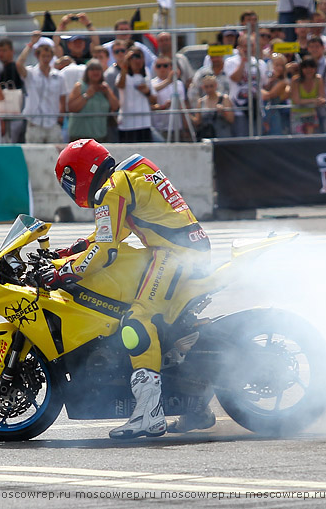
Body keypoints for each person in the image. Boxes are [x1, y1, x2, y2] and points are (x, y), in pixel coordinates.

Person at [50, 139, 211, 439]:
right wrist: (73, 249)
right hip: (188, 250)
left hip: (177, 256)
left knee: (137, 320)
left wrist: (68, 272)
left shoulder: (111, 189)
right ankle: (195, 404)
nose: (71, 189)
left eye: (69, 181)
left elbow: (107, 249)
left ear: (83, 171)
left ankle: (149, 414)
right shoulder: (132, 172)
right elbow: (115, 229)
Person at [16, 32, 67, 143]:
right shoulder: (30, 73)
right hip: (35, 122)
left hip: (53, 122)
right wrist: (31, 44)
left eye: (48, 56)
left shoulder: (58, 75)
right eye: (43, 56)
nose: (46, 59)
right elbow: (19, 64)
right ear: (37, 56)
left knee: (55, 155)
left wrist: (61, 117)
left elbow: (62, 97)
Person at [225, 33, 268, 137]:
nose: (248, 49)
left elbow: (264, 84)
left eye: (251, 45)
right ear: (239, 47)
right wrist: (243, 61)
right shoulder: (231, 62)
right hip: (238, 110)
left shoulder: (260, 64)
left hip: (256, 108)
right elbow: (235, 78)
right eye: (245, 46)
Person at [66, 59, 119, 142]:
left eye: (98, 70)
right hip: (80, 138)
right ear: (87, 72)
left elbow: (115, 106)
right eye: (92, 69)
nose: (95, 72)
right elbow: (71, 108)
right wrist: (86, 96)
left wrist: (107, 92)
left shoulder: (105, 88)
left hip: (100, 137)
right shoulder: (79, 86)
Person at [116, 46, 157, 142]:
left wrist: (146, 91)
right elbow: (120, 85)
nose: (137, 61)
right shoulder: (123, 75)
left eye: (139, 57)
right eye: (133, 58)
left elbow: (154, 99)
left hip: (144, 123)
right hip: (127, 124)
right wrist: (125, 64)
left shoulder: (146, 73)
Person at [289, 55, 324, 134]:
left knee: (312, 141)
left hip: (312, 115)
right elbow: (296, 100)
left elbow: (322, 97)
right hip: (297, 115)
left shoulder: (318, 79)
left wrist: (320, 101)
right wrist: (313, 100)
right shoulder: (296, 80)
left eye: (311, 67)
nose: (309, 70)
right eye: (305, 67)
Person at [263, 52, 291, 134]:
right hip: (266, 115)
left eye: (282, 65)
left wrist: (257, 88)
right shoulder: (268, 80)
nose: (279, 68)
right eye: (277, 65)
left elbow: (267, 96)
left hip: (278, 115)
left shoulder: (284, 82)